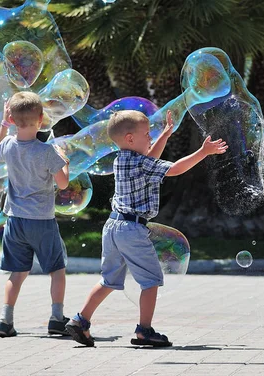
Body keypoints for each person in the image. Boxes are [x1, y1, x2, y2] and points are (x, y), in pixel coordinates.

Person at [66, 110, 227, 347]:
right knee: (151, 281)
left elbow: (150, 159)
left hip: (113, 226)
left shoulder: (122, 159)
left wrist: (164, 135)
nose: (150, 137)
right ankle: (144, 331)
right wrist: (203, 152)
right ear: (130, 138)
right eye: (146, 134)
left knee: (108, 280)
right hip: (132, 229)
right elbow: (174, 169)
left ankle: (80, 320)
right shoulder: (142, 162)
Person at [0, 92, 70, 338]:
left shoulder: (8, 145)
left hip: (15, 220)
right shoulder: (47, 151)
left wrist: (3, 124)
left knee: (17, 273)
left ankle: (5, 320)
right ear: (40, 118)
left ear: (13, 120)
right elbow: (64, 183)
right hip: (42, 221)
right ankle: (57, 318)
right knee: (56, 270)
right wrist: (64, 160)